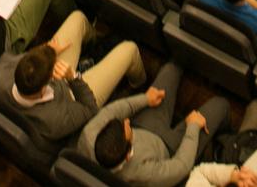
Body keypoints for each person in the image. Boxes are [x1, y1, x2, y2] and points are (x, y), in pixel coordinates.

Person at [0, 10, 146, 147]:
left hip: (56, 81)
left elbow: (27, 60)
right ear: (46, 85)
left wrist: (46, 50)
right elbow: (90, 110)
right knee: (129, 49)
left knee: (77, 18)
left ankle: (93, 42)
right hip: (75, 97)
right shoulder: (54, 122)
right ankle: (138, 83)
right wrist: (73, 78)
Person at [81, 61, 229, 187]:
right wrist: (193, 127)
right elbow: (182, 166)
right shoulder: (141, 175)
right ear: (127, 156)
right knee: (220, 105)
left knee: (171, 68)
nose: (126, 120)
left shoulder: (89, 135)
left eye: (121, 123)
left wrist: (145, 99)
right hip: (171, 149)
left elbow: (114, 110)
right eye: (127, 129)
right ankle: (224, 136)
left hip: (144, 126)